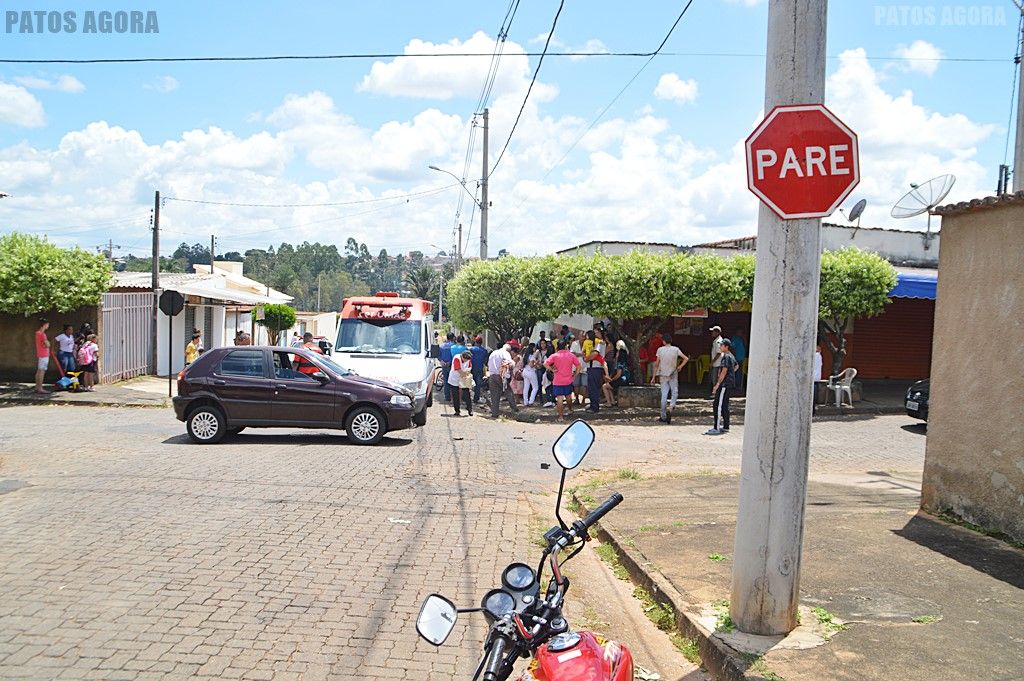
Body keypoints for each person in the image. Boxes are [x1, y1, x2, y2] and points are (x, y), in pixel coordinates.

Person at [652, 333, 688, 423]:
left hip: (663, 374)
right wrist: (680, 366)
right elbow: (686, 358)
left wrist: (653, 377)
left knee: (664, 395)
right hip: (673, 374)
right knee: (674, 392)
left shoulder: (660, 350)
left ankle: (663, 416)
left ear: (663, 341)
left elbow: (656, 364)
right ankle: (671, 407)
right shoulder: (676, 349)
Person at [707, 338, 738, 435]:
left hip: (724, 384)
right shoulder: (731, 356)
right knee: (725, 404)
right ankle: (726, 426)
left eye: (721, 345)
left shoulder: (726, 357)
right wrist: (731, 374)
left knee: (717, 405)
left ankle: (716, 428)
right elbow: (736, 366)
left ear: (726, 347)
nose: (720, 347)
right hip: (728, 384)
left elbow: (724, 371)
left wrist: (717, 384)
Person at [544, 340, 581, 421]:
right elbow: (578, 366)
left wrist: (551, 369)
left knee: (559, 399)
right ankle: (570, 409)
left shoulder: (555, 356)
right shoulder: (571, 355)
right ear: (566, 346)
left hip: (557, 380)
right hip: (568, 380)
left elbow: (545, 363)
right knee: (568, 396)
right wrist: (574, 376)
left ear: (557, 347)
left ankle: (561, 417)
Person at [487, 343, 519, 418]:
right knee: (508, 392)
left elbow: (488, 363)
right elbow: (510, 364)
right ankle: (514, 409)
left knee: (494, 395)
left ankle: (494, 413)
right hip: (501, 375)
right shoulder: (505, 353)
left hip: (492, 375)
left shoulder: (493, 353)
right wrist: (513, 364)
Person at [582, 330, 604, 414]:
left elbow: (595, 354)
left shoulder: (598, 343)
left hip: (595, 368)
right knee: (591, 388)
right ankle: (592, 405)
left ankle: (595, 407)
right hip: (591, 368)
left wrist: (587, 359)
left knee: (594, 388)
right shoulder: (590, 343)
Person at [448, 350, 474, 416]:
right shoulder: (457, 358)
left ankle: (470, 409)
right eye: (465, 360)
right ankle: (457, 410)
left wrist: (468, 372)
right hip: (455, 378)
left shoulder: (468, 358)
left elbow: (470, 366)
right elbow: (458, 369)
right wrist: (465, 375)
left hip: (464, 378)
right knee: (455, 395)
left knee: (467, 394)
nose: (466, 361)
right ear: (462, 356)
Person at [469, 336, 489, 404]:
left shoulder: (471, 349)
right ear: (481, 342)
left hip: (471, 368)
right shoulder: (484, 350)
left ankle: (466, 397)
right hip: (480, 369)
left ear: (475, 341)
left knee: (468, 382)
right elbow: (485, 361)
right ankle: (476, 398)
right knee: (478, 384)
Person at [34, 318, 50, 394]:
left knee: (39, 370)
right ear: (44, 325)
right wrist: (47, 343)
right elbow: (47, 344)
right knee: (42, 371)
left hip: (40, 354)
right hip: (44, 354)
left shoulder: (37, 333)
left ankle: (37, 387)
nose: (48, 326)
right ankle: (40, 388)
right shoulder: (42, 334)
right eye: (47, 324)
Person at [522, 342, 541, 406]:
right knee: (535, 387)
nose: (535, 349)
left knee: (526, 387)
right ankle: (531, 401)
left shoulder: (525, 355)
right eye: (534, 347)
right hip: (531, 372)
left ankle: (525, 402)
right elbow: (531, 365)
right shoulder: (532, 356)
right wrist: (536, 363)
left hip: (525, 371)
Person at [439, 333, 455, 403]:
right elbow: (454, 356)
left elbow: (438, 355)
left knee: (445, 381)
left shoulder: (441, 346)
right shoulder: (454, 346)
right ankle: (453, 397)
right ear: (453, 338)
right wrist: (449, 362)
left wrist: (441, 361)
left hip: (444, 365)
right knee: (452, 381)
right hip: (451, 365)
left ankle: (447, 396)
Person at [709, 326, 724, 393]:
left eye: (713, 331)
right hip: (717, 363)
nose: (712, 333)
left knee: (715, 379)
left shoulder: (718, 341)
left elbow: (718, 353)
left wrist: (712, 362)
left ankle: (716, 393)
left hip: (717, 363)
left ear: (717, 332)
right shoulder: (718, 340)